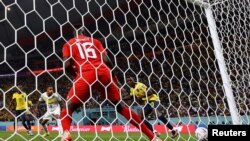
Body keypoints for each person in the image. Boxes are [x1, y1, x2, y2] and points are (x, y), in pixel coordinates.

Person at [60, 28, 161, 141]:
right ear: (84, 33)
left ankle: (66, 134)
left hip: (86, 74)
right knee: (121, 107)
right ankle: (153, 137)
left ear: (73, 34)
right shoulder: (95, 41)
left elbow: (67, 64)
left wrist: (76, 75)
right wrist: (114, 78)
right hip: (104, 72)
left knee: (67, 107)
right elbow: (107, 60)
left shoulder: (69, 43)